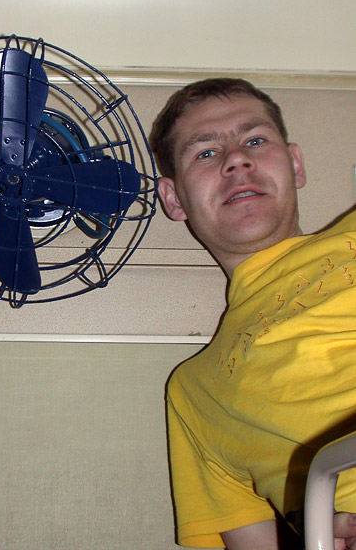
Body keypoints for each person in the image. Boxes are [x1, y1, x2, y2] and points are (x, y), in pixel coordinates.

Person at [149, 78, 356, 550]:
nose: (237, 160)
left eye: (256, 141)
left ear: (296, 164)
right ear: (174, 199)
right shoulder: (194, 393)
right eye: (205, 153)